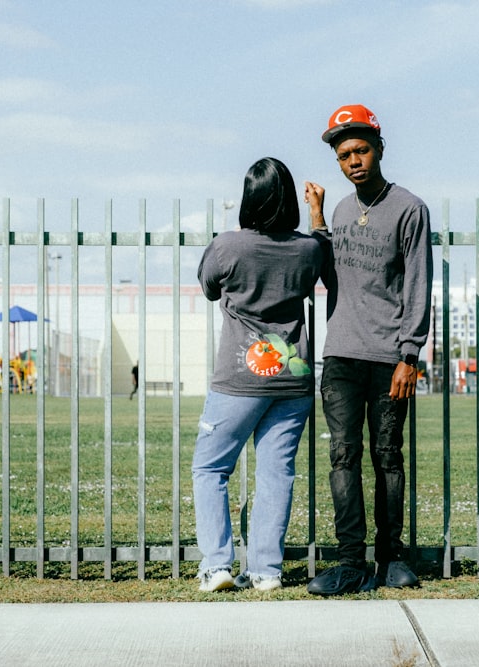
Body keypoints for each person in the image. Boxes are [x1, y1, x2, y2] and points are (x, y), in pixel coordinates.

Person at [303, 104, 433, 595]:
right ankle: (351, 563)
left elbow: (419, 283)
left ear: (379, 149)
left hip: (388, 359)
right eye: (343, 155)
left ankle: (391, 559)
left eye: (360, 150)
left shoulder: (409, 208)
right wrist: (316, 217)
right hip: (341, 356)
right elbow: (328, 276)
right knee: (342, 457)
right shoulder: (338, 210)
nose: (352, 161)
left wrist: (409, 355)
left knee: (387, 457)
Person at [192, 156, 328, 592]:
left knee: (211, 469)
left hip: (239, 378)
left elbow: (210, 286)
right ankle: (266, 571)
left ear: (249, 199)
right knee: (276, 474)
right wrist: (317, 215)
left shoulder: (227, 246)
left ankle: (217, 566)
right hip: (294, 379)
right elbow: (322, 253)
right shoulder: (307, 249)